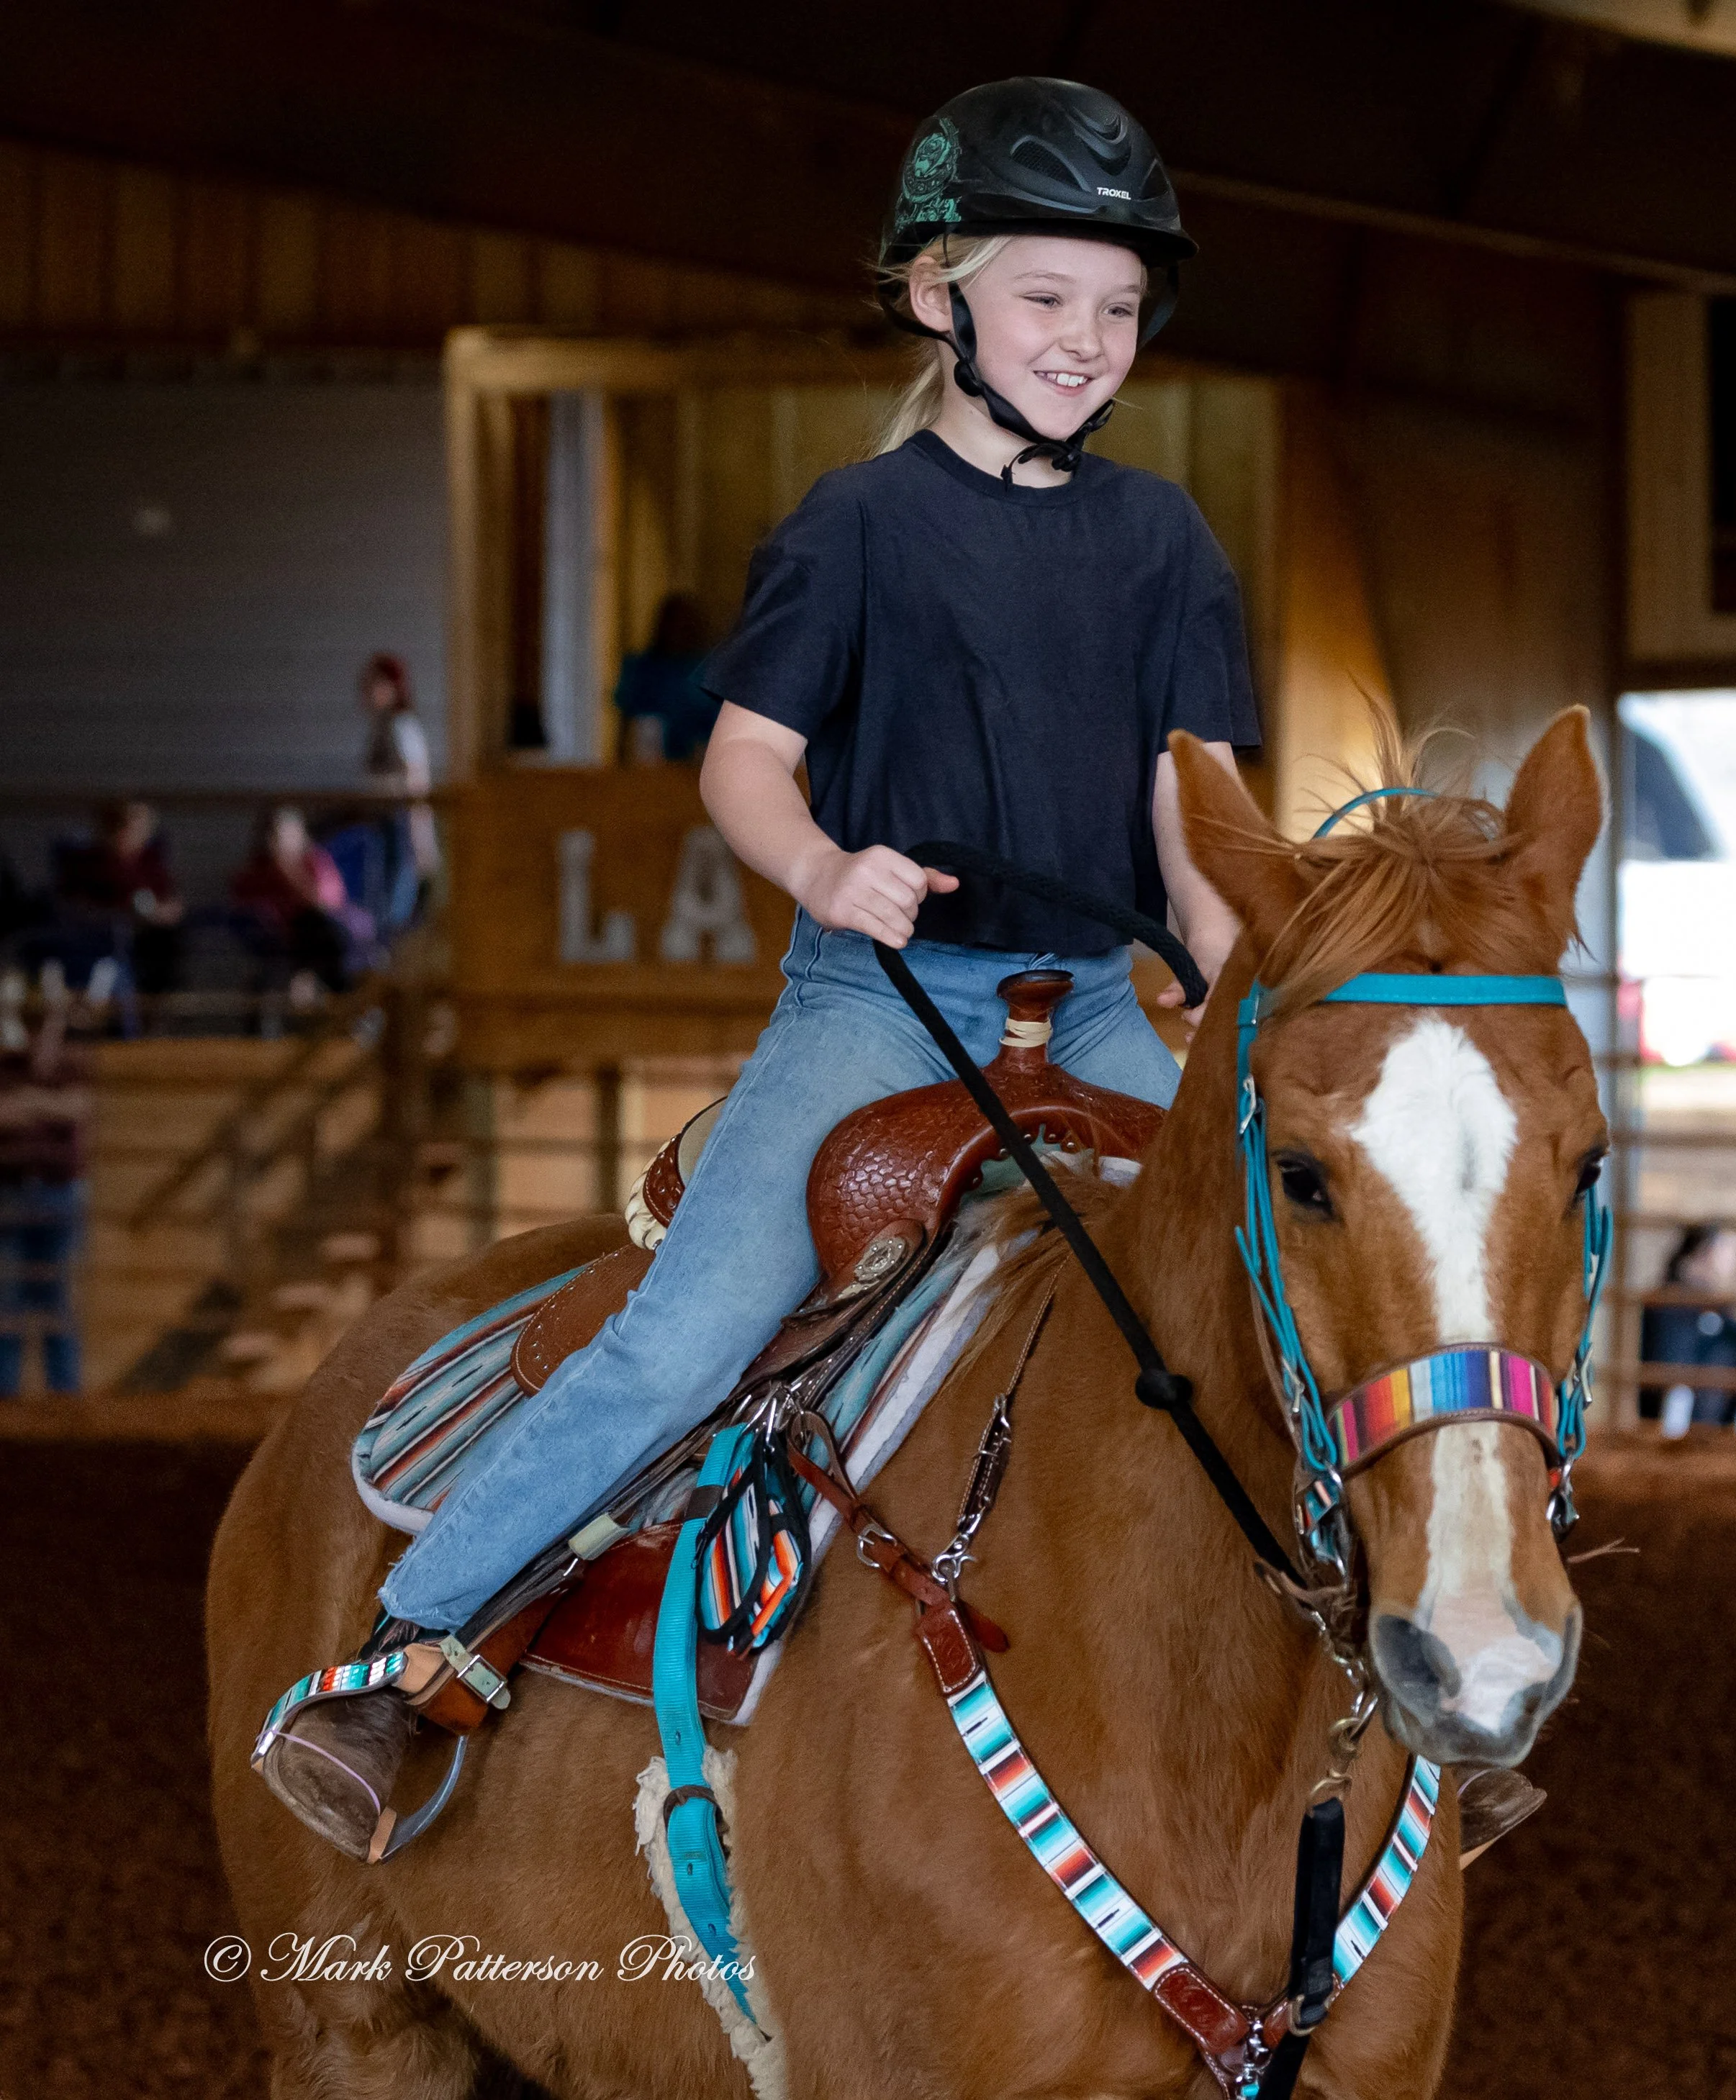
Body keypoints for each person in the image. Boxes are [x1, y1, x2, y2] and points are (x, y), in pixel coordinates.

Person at [261, 78, 1254, 1853]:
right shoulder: (857, 524)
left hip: (1101, 990)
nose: (1085, 340)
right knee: (687, 1334)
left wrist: (1243, 986)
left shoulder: (1167, 541)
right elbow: (742, 759)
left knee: (1285, 1249)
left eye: (1116, 308)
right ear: (936, 295)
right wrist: (823, 866)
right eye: (1045, 297)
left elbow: (1197, 814)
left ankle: (1398, 1671)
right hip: (884, 993)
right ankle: (400, 1657)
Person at [0, 979, 89, 1396]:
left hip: (58, 1193)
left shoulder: (72, 1064)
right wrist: (46, 1106)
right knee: (8, 1300)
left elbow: (78, 1109)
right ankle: (7, 1394)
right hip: (13, 1193)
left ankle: (63, 1395)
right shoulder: (7, 1064)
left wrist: (29, 1104)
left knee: (57, 1300)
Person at [232, 805, 374, 1006]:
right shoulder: (258, 870)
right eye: (275, 833)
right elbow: (243, 903)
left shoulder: (315, 861)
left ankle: (337, 996)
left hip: (322, 934)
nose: (281, 840)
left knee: (317, 924)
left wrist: (289, 870)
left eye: (288, 832)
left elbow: (323, 903)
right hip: (280, 940)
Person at [55, 800, 185, 996]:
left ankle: (153, 1016)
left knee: (168, 950)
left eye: (141, 828)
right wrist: (117, 915)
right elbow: (72, 906)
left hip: (145, 937)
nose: (133, 833)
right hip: (96, 940)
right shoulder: (86, 864)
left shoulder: (151, 862)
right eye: (126, 826)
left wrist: (155, 913)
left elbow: (173, 905)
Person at [360, 652, 440, 934]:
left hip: (401, 818)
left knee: (399, 894)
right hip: (384, 818)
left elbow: (414, 778)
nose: (367, 691)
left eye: (374, 684)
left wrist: (419, 831)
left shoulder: (401, 726)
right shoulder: (382, 726)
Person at [1640, 1224, 1736, 1434]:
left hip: (1716, 1411)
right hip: (1675, 1404)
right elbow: (1668, 1353)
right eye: (1727, 1252)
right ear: (1707, 1251)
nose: (1733, 1261)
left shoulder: (1722, 1305)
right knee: (1678, 1390)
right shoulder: (1667, 1299)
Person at [613, 592, 719, 764]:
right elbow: (627, 718)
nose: (678, 631)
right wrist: (620, 763)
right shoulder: (642, 667)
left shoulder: (705, 669)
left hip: (696, 761)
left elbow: (714, 721)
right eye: (673, 623)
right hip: (648, 761)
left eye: (685, 625)